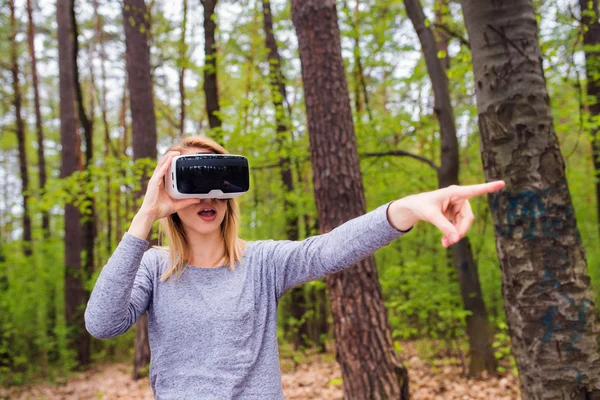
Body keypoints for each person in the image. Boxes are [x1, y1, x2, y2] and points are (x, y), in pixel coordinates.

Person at [84, 135, 505, 399]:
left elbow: (330, 249)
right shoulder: (153, 267)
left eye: (220, 183)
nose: (207, 197)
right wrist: (145, 216)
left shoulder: (262, 262)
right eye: (193, 184)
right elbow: (102, 323)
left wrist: (407, 208)